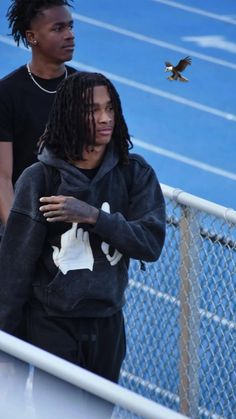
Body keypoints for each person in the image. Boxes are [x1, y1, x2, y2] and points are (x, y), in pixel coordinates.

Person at [0, 71, 166, 384]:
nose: (105, 118)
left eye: (110, 108)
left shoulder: (136, 174)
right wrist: (6, 347)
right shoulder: (39, 179)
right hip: (53, 322)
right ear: (71, 116)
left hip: (108, 320)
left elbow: (150, 244)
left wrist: (93, 216)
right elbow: (13, 269)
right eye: (93, 110)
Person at [0, 0, 76, 232]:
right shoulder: (7, 93)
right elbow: (2, 177)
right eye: (58, 28)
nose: (70, 35)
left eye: (71, 27)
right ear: (32, 37)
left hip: (72, 222)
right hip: (22, 219)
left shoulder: (84, 90)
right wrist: (19, 235)